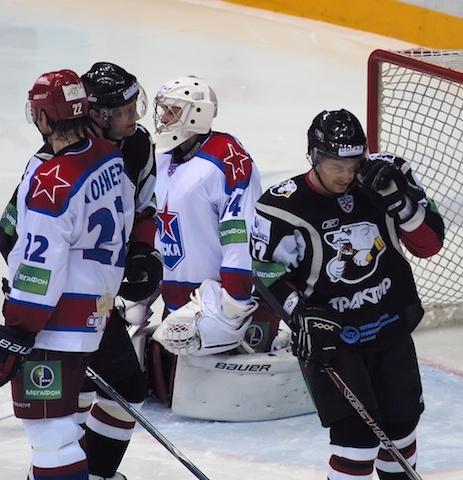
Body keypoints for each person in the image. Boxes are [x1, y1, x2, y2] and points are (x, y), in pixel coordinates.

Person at [250, 109, 445, 479]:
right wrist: (299, 315)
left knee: (401, 430)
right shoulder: (282, 207)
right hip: (330, 337)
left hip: (388, 325)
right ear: (313, 156)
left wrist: (399, 202)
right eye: (334, 164)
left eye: (353, 163)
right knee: (356, 441)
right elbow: (265, 273)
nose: (344, 174)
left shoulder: (392, 176)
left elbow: (429, 244)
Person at [0, 69, 135, 479]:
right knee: (60, 427)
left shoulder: (50, 181)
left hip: (52, 322)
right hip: (96, 313)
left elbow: (40, 267)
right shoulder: (111, 160)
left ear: (43, 118)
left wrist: (18, 330)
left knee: (52, 434)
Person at [150, 76, 276, 382]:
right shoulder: (160, 157)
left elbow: (239, 231)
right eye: (163, 110)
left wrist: (235, 302)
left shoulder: (227, 157)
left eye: (172, 111)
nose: (163, 118)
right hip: (176, 303)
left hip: (215, 302)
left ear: (197, 114)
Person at [78, 62, 161, 480]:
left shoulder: (138, 144)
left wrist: (144, 253)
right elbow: (11, 234)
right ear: (96, 114)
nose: (135, 117)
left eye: (135, 106)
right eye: (125, 110)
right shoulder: (60, 154)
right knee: (73, 397)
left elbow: (144, 207)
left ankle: (92, 472)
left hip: (100, 297)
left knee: (125, 388)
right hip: (61, 300)